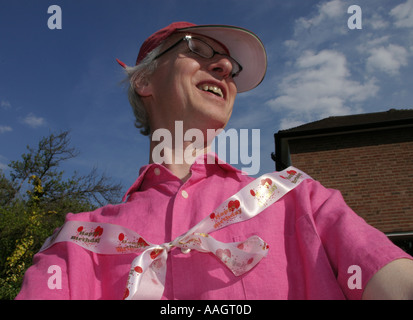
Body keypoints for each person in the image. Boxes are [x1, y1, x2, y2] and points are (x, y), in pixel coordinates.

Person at [16, 21, 413, 300]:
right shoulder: (79, 240)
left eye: (230, 67)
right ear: (144, 81)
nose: (224, 68)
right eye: (198, 49)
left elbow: (394, 278)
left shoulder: (299, 199)